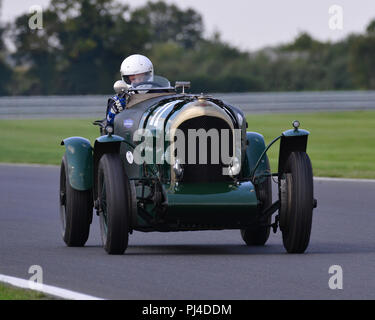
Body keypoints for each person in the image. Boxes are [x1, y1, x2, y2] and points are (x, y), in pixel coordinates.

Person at [106, 54, 154, 126]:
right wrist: (114, 112)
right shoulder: (119, 100)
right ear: (126, 79)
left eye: (141, 77)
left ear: (149, 75)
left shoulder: (161, 92)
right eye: (133, 79)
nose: (138, 82)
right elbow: (109, 126)